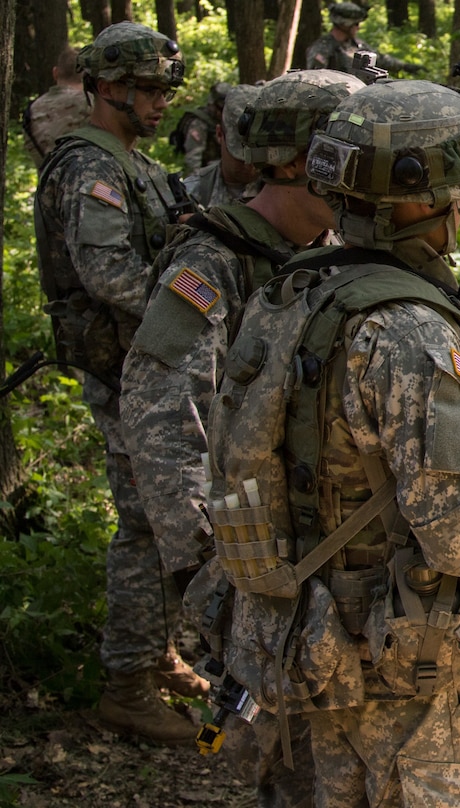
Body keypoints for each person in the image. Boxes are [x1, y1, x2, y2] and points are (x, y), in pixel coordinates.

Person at [198, 73, 460, 807]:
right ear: (421, 202)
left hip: (303, 646)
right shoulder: (412, 333)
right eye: (457, 188)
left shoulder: (286, 295)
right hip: (407, 682)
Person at [120, 68, 364, 805]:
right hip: (254, 569)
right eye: (340, 152)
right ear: (294, 161)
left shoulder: (329, 254)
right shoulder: (213, 260)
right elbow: (163, 416)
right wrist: (210, 571)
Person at [33, 21, 201, 747]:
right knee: (147, 525)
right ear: (107, 89)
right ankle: (126, 684)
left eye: (167, 89)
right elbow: (110, 277)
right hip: (123, 366)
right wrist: (199, 300)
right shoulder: (90, 168)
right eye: (149, 90)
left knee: (159, 521)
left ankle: (154, 653)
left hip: (145, 361)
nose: (162, 103)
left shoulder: (131, 162)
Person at [181, 83, 263, 209]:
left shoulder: (282, 187)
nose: (249, 162)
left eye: (258, 151)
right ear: (219, 134)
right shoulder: (193, 191)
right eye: (240, 153)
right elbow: (193, 159)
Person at [305, 2, 423, 76]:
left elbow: (380, 59)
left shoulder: (356, 44)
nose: (358, 27)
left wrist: (405, 66)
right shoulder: (322, 48)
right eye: (355, 24)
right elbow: (316, 79)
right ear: (344, 24)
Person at [22, 45, 92, 169]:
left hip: (48, 186)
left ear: (55, 72)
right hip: (96, 185)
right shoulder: (95, 104)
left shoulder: (32, 110)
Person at [171, 80, 229, 174]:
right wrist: (195, 183)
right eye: (219, 108)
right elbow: (193, 158)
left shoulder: (226, 119)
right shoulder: (199, 123)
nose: (221, 112)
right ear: (212, 104)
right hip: (205, 174)